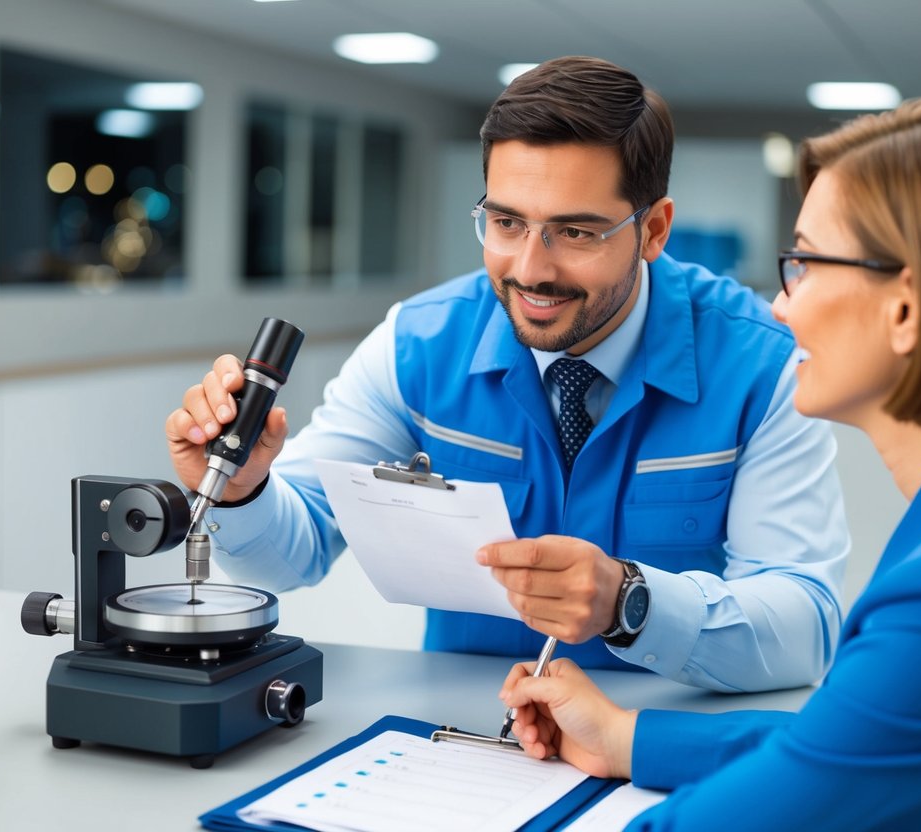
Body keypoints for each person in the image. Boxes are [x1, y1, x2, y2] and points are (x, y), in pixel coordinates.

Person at [166, 56, 850, 692]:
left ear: (653, 230)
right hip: (460, 741)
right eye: (506, 222)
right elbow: (292, 556)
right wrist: (242, 491)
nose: (530, 268)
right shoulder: (417, 344)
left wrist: (628, 602)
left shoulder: (760, 363)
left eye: (576, 232)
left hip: (661, 741)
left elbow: (804, 626)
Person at [500, 96, 921, 829]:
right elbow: (853, 742)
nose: (777, 308)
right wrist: (630, 739)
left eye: (803, 263)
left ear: (905, 309)